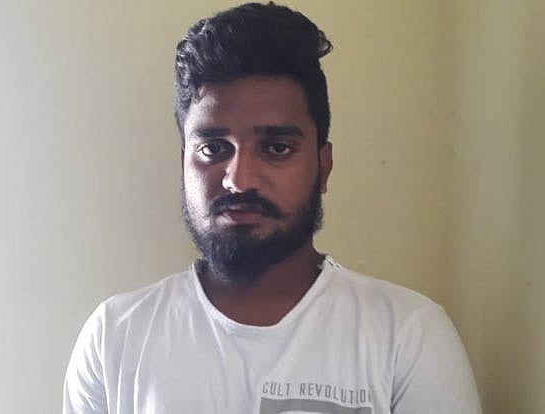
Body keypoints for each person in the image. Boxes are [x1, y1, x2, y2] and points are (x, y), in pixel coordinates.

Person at [63, 2, 482, 413]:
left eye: (277, 148)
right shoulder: (115, 339)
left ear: (323, 166)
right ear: (184, 162)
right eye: (213, 148)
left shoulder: (408, 337)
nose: (240, 179)